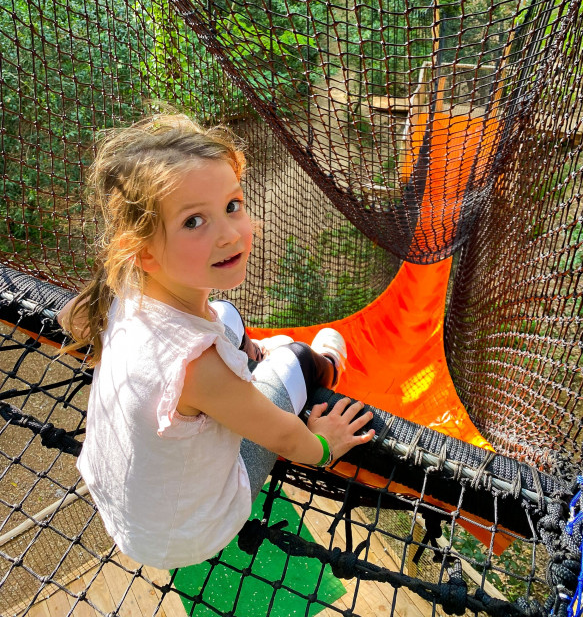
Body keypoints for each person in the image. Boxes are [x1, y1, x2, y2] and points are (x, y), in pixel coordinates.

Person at [59, 111, 374, 570]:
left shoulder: (124, 282)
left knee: (224, 316)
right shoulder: (198, 368)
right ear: (145, 251)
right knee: (294, 359)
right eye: (193, 222)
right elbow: (286, 436)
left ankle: (254, 353)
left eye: (232, 205)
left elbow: (73, 317)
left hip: (119, 500)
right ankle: (326, 363)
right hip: (189, 535)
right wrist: (323, 447)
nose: (229, 233)